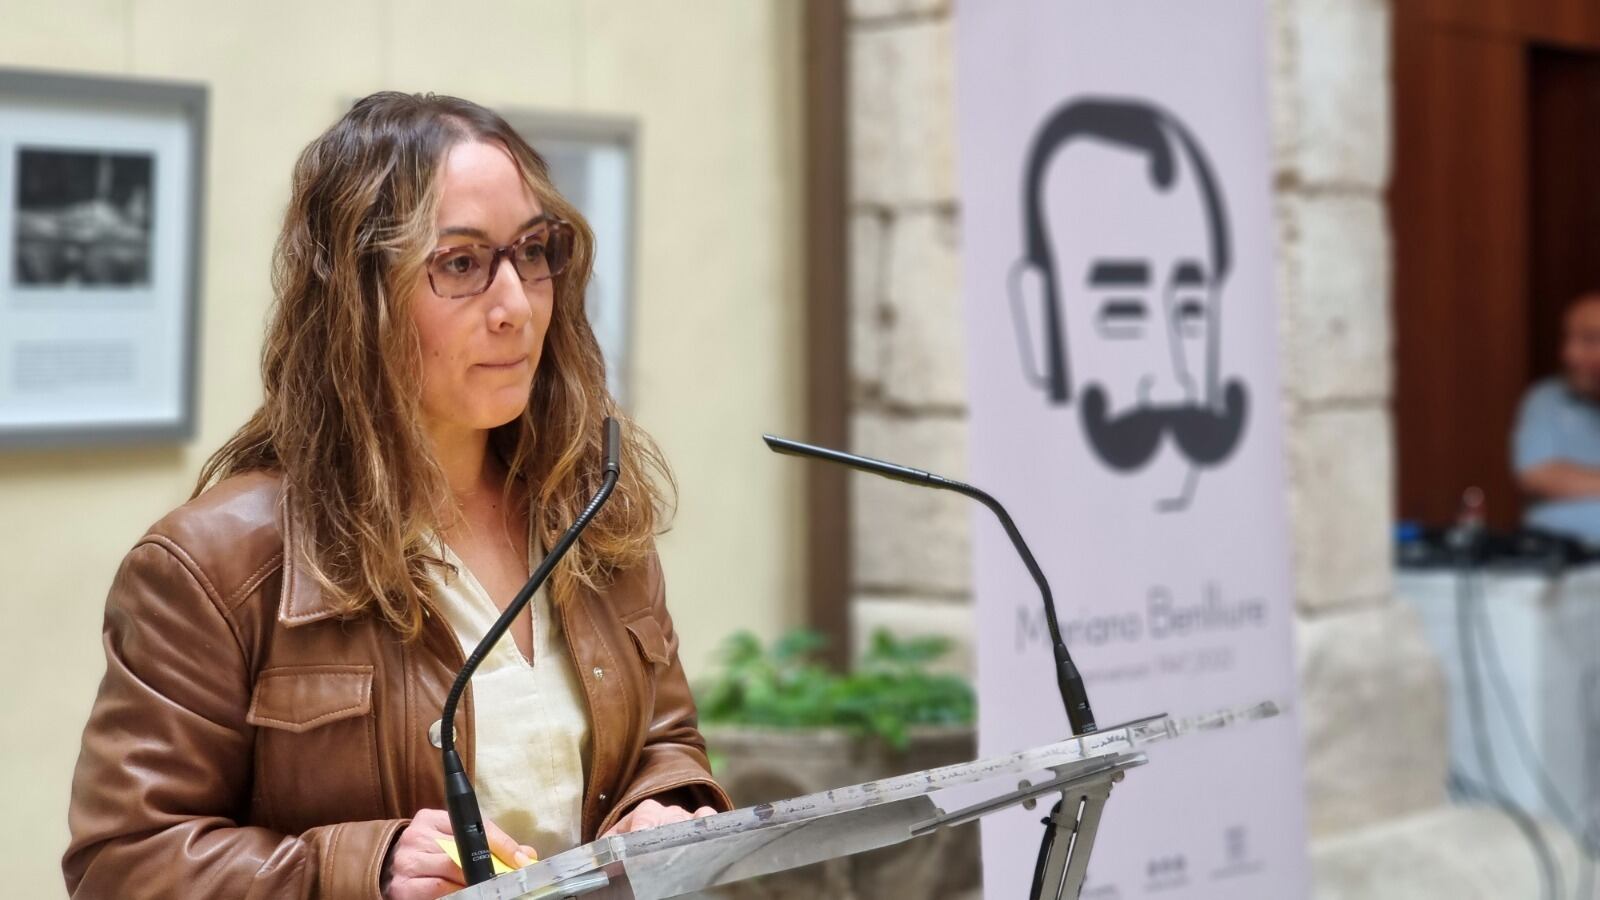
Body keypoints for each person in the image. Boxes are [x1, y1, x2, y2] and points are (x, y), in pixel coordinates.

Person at [63, 92, 730, 899]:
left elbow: (665, 743)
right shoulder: (213, 564)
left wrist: (665, 806)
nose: (516, 305)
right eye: (460, 263)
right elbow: (123, 863)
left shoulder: (589, 510)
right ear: (358, 295)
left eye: (532, 252)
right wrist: (360, 870)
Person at [1513, 291, 1600, 545]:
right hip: (1557, 557)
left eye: (1590, 340)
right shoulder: (1546, 399)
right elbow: (1538, 475)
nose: (1570, 354)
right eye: (1568, 339)